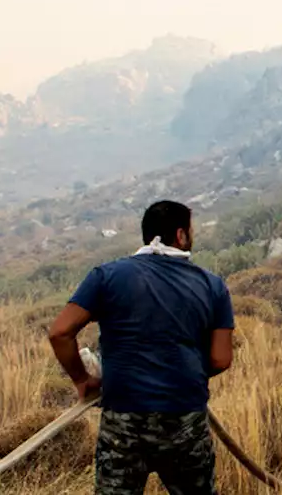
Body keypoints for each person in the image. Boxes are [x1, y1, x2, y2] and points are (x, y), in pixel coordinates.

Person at [48, 200, 234, 495]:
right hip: (184, 415)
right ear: (181, 235)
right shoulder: (212, 285)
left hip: (123, 416)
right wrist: (182, 375)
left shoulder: (106, 276)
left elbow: (60, 333)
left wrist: (83, 380)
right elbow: (221, 359)